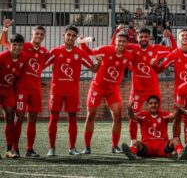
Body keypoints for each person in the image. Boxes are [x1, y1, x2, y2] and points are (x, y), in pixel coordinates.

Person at [111, 26, 176, 146]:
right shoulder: (132, 48)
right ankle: (133, 142)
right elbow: (114, 47)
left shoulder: (156, 49)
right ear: (137, 38)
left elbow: (174, 50)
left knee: (158, 116)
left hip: (153, 90)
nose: (144, 39)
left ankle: (159, 140)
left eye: (146, 36)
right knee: (133, 116)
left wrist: (170, 37)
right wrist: (116, 32)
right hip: (137, 91)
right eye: (141, 37)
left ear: (150, 38)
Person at [44, 25, 99, 157]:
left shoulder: (80, 53)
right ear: (64, 35)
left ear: (76, 38)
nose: (70, 37)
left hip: (72, 92)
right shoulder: (55, 51)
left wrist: (100, 61)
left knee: (72, 119)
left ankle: (72, 148)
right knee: (53, 118)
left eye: (73, 36)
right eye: (68, 35)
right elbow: (42, 65)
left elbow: (93, 69)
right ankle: (52, 148)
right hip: (56, 91)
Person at [79, 32, 134, 154]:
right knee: (90, 115)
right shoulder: (106, 49)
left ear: (127, 44)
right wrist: (83, 43)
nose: (121, 43)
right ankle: (87, 147)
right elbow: (90, 52)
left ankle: (115, 147)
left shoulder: (129, 56)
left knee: (118, 117)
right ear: (115, 41)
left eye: (124, 42)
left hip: (113, 90)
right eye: (119, 41)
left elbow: (135, 67)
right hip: (97, 88)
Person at [1, 19, 48, 157]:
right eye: (36, 34)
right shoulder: (22, 46)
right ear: (32, 34)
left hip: (36, 89)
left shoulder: (44, 51)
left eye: (41, 34)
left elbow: (46, 64)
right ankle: (14, 149)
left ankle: (29, 149)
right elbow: (4, 43)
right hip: (21, 88)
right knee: (19, 118)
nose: (39, 36)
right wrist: (5, 29)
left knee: (33, 118)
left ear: (44, 37)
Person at [121, 95, 184, 159]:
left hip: (163, 147)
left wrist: (178, 108)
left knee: (176, 140)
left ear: (159, 104)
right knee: (136, 143)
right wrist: (129, 109)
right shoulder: (142, 115)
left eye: (155, 103)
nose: (153, 105)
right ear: (147, 105)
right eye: (151, 103)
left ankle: (181, 154)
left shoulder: (164, 114)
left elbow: (173, 116)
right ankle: (131, 153)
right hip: (147, 147)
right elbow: (132, 116)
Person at [0, 33, 26, 158]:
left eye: (20, 45)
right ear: (10, 45)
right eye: (14, 44)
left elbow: (19, 77)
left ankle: (9, 150)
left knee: (10, 119)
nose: (17, 47)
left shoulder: (23, 58)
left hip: (8, 91)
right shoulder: (2, 57)